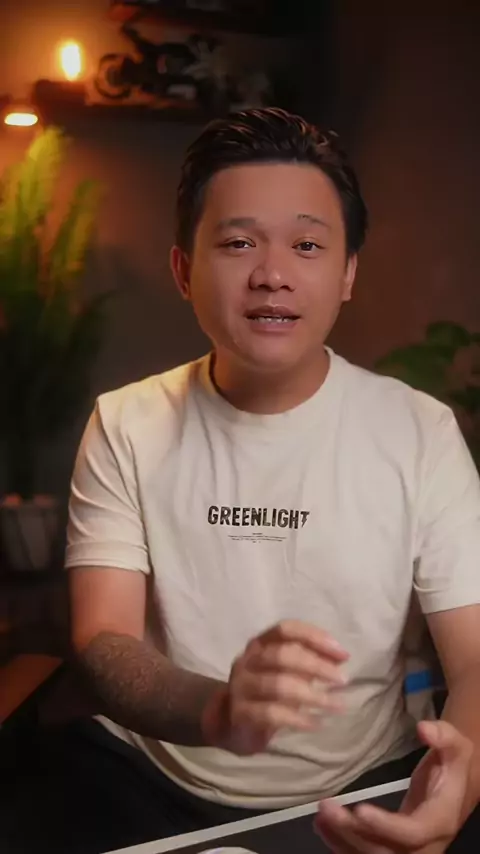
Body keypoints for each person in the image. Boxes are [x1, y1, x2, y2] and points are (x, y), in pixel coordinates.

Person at [3, 108, 479, 854]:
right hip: (146, 777)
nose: (272, 274)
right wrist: (219, 709)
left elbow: (475, 657)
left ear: (348, 273)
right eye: (237, 243)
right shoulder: (126, 422)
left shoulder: (420, 431)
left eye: (307, 245)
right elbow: (102, 636)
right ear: (183, 270)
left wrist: (459, 779)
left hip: (362, 781)